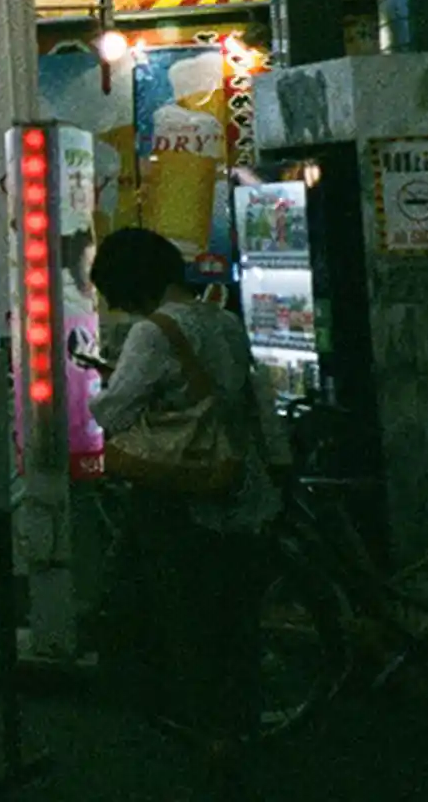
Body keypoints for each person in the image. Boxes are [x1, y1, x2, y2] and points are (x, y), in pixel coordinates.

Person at [84, 227, 276, 797]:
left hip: (173, 491)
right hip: (234, 484)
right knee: (227, 617)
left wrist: (100, 385)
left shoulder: (152, 332)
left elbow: (115, 413)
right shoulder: (223, 320)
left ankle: (209, 740)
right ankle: (235, 730)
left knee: (175, 612)